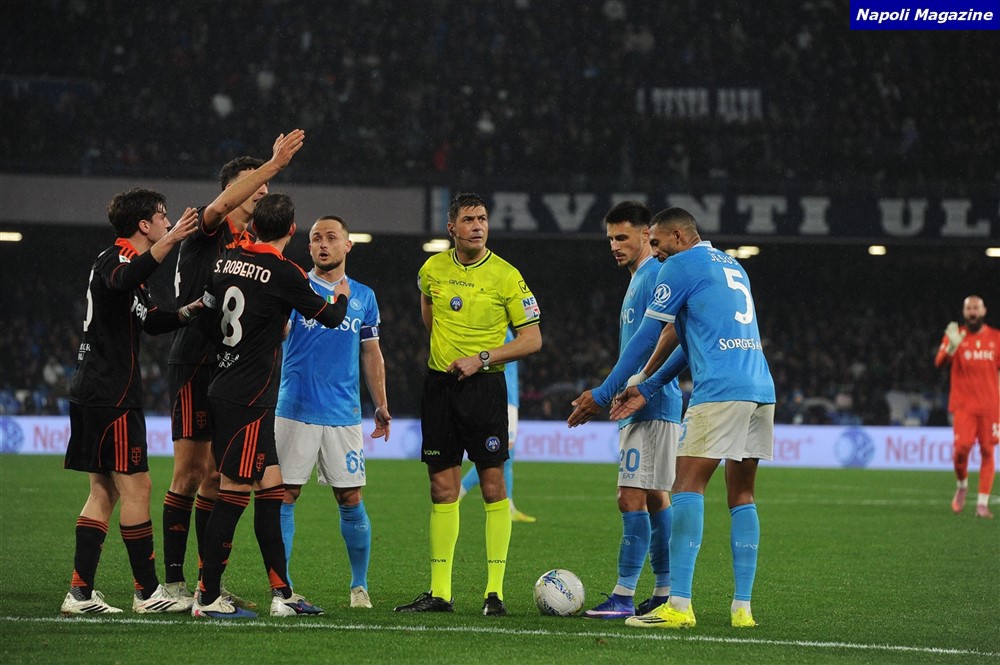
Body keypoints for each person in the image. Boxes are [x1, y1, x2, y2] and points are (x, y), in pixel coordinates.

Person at [596, 207, 774, 630]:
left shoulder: (680, 265)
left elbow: (648, 337)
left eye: (657, 243)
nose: (655, 252)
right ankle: (742, 610)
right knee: (742, 495)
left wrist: (603, 393)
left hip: (720, 389)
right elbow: (686, 342)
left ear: (678, 236)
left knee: (686, 486)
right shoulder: (731, 264)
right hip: (761, 388)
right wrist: (650, 386)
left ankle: (678, 605)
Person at [161, 130, 305, 609]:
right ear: (231, 189)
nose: (262, 189)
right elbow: (222, 205)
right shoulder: (209, 227)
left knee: (217, 478)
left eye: (265, 184)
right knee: (189, 473)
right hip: (195, 358)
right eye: (254, 182)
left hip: (232, 366)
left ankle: (210, 584)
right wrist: (274, 163)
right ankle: (173, 584)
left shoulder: (248, 245)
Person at [193, 192, 350, 619]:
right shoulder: (285, 272)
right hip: (247, 397)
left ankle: (283, 594)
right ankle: (207, 597)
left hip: (229, 386)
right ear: (292, 230)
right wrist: (341, 295)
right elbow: (331, 318)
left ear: (255, 225)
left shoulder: (225, 260)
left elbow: (207, 319)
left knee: (272, 489)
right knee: (232, 494)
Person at [394, 193, 542, 617]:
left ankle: (494, 593)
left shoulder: (507, 276)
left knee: (493, 487)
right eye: (469, 219)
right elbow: (427, 305)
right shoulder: (432, 269)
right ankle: (440, 593)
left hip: (485, 387)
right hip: (439, 387)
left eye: (482, 219)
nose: (478, 226)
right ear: (451, 228)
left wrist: (482, 358)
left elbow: (532, 339)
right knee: (442, 489)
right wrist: (444, 348)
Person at [60, 188, 201, 615]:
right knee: (137, 485)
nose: (168, 222)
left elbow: (151, 320)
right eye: (162, 216)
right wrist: (173, 240)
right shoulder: (118, 259)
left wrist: (191, 310)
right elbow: (123, 279)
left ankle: (80, 594)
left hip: (97, 390)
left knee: (104, 490)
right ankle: (147, 592)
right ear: (144, 224)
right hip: (112, 394)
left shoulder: (128, 269)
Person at [565, 202, 681, 620]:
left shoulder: (653, 276)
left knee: (630, 495)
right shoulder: (639, 279)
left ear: (646, 235)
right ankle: (664, 591)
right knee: (655, 496)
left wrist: (613, 390)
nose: (614, 245)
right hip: (645, 401)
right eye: (610, 238)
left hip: (650, 403)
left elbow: (666, 339)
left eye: (622, 237)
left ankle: (624, 594)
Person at [275, 215, 392, 609]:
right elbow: (277, 335)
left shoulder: (364, 296)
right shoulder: (294, 286)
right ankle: (284, 588)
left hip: (343, 413)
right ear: (308, 247)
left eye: (330, 237)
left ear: (347, 245)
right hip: (294, 408)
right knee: (285, 494)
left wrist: (381, 404)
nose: (322, 244)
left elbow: (371, 352)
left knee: (350, 496)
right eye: (315, 239)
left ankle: (359, 586)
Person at [458, 328, 537, 523]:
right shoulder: (500, 330)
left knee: (508, 455)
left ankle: (509, 506)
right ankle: (458, 492)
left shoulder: (506, 331)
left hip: (508, 398)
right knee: (499, 455)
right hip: (503, 397)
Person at [934, 295, 999, 519]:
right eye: (968, 308)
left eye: (976, 308)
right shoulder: (955, 335)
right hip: (964, 406)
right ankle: (962, 485)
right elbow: (939, 363)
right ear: (963, 313)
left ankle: (982, 504)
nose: (972, 312)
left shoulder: (996, 338)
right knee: (961, 449)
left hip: (990, 407)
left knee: (988, 451)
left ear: (984, 311)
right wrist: (952, 347)